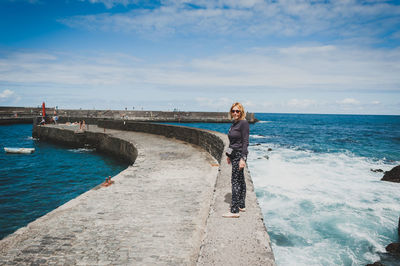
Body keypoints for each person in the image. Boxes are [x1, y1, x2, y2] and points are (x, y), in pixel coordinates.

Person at [223, 102, 249, 218]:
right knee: (241, 179)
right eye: (233, 111)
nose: (235, 113)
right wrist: (228, 155)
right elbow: (232, 142)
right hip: (233, 154)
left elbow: (245, 142)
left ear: (241, 112)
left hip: (239, 155)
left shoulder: (243, 123)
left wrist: (243, 158)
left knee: (235, 181)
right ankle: (241, 205)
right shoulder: (234, 124)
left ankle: (234, 211)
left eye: (237, 111)